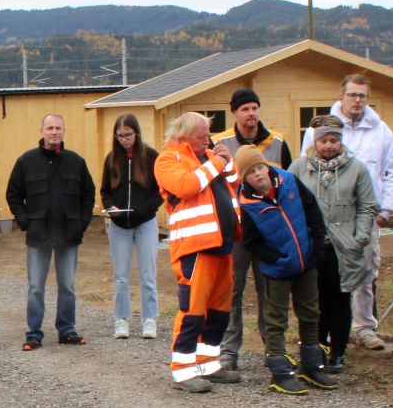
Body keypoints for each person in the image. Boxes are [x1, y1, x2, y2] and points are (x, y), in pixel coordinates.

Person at [303, 73, 393, 351]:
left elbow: (390, 172)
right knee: (326, 277)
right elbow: (304, 171)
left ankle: (364, 327)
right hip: (326, 218)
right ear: (341, 96)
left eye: (363, 96)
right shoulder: (318, 129)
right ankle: (325, 330)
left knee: (365, 272)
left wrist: (386, 210)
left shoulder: (382, 131)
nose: (358, 100)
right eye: (353, 94)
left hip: (365, 216)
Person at [233, 145, 333, 395]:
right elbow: (251, 242)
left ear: (266, 166)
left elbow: (313, 211)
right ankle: (280, 371)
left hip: (306, 260)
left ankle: (312, 365)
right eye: (251, 172)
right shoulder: (246, 205)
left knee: (310, 312)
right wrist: (275, 257)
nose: (258, 175)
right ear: (244, 178)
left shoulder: (289, 181)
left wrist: (317, 244)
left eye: (260, 168)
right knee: (276, 319)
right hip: (277, 269)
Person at [153, 111, 239, 392]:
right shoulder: (168, 159)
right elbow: (187, 186)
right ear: (184, 134)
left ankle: (208, 363)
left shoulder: (207, 158)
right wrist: (216, 162)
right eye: (202, 134)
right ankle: (183, 369)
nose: (207, 138)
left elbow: (234, 183)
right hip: (194, 246)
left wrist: (227, 160)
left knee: (218, 310)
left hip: (221, 244)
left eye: (208, 134)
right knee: (193, 311)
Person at [213, 88, 292, 378]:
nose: (251, 114)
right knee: (231, 292)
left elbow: (287, 184)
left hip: (268, 230)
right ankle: (228, 352)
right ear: (234, 112)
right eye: (245, 109)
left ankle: (273, 350)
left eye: (254, 108)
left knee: (269, 291)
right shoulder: (220, 144)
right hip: (234, 232)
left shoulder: (278, 143)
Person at [290, 115, 378, 375]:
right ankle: (315, 348)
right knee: (311, 300)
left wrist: (360, 236)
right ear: (315, 142)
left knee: (339, 299)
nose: (328, 146)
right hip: (310, 244)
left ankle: (338, 350)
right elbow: (290, 202)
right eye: (324, 140)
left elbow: (367, 205)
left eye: (333, 140)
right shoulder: (299, 168)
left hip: (343, 246)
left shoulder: (357, 169)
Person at [5, 113, 96, 350]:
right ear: (42, 131)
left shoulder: (76, 162)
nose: (54, 132)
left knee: (67, 285)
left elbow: (88, 194)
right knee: (36, 286)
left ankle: (66, 330)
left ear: (64, 131)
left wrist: (82, 222)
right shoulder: (26, 161)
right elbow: (13, 195)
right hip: (38, 235)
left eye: (58, 128)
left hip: (69, 234)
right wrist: (26, 221)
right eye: (49, 128)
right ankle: (34, 333)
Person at [100, 113, 163, 340]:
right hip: (119, 225)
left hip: (145, 223)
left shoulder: (151, 157)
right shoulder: (111, 160)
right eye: (120, 136)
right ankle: (121, 319)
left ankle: (149, 319)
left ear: (136, 133)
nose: (124, 140)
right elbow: (105, 191)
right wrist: (110, 207)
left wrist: (144, 210)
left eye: (128, 135)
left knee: (148, 273)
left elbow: (160, 191)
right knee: (121, 276)